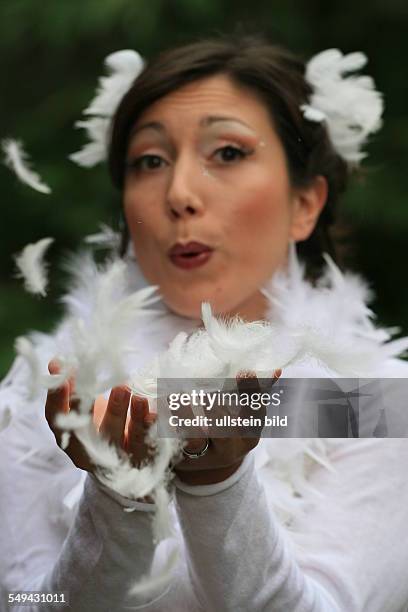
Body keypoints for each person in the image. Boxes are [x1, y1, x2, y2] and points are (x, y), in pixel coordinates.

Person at [1, 33, 408, 612]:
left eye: (228, 153)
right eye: (150, 161)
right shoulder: (39, 393)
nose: (180, 193)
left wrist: (217, 483)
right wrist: (119, 495)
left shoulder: (374, 397)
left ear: (305, 204)